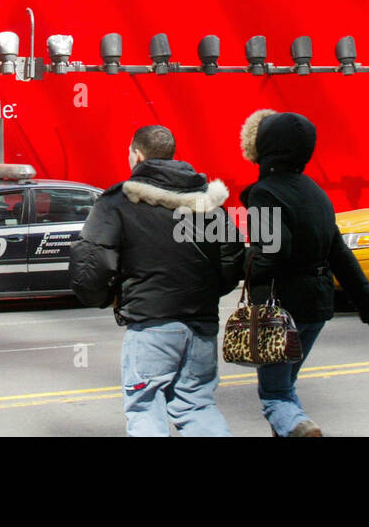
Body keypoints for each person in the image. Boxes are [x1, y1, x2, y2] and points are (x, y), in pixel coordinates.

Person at [70, 125, 245, 437]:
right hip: (201, 324)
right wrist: (206, 291)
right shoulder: (205, 202)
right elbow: (232, 257)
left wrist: (104, 297)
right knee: (197, 406)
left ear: (137, 155)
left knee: (145, 406)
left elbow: (91, 265)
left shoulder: (118, 201)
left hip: (150, 324)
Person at [239, 110, 369, 438]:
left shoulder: (265, 193)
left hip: (282, 309)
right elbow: (341, 255)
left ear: (266, 146)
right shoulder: (316, 193)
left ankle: (300, 427)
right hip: (317, 308)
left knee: (274, 395)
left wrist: (241, 262)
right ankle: (296, 427)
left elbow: (273, 251)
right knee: (286, 385)